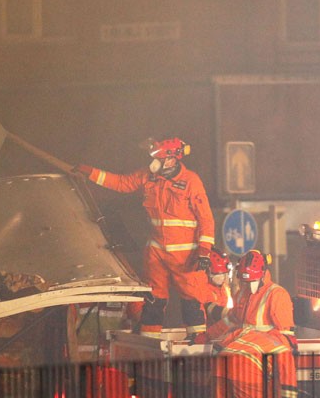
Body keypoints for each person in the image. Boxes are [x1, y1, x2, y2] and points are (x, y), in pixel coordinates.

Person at [75, 138, 215, 340]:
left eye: (159, 158)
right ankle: (149, 344)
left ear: (171, 160)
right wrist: (91, 172)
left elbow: (206, 219)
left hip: (186, 257)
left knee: (192, 301)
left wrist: (204, 250)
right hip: (157, 252)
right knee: (153, 300)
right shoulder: (149, 176)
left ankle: (198, 344)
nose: (154, 163)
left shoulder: (191, 182)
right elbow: (121, 183)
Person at [208, 250, 298, 398]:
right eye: (245, 280)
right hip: (243, 369)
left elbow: (234, 325)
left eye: (251, 280)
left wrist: (205, 338)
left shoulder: (276, 296)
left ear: (262, 274)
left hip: (223, 363)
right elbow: (288, 383)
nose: (248, 285)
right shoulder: (280, 345)